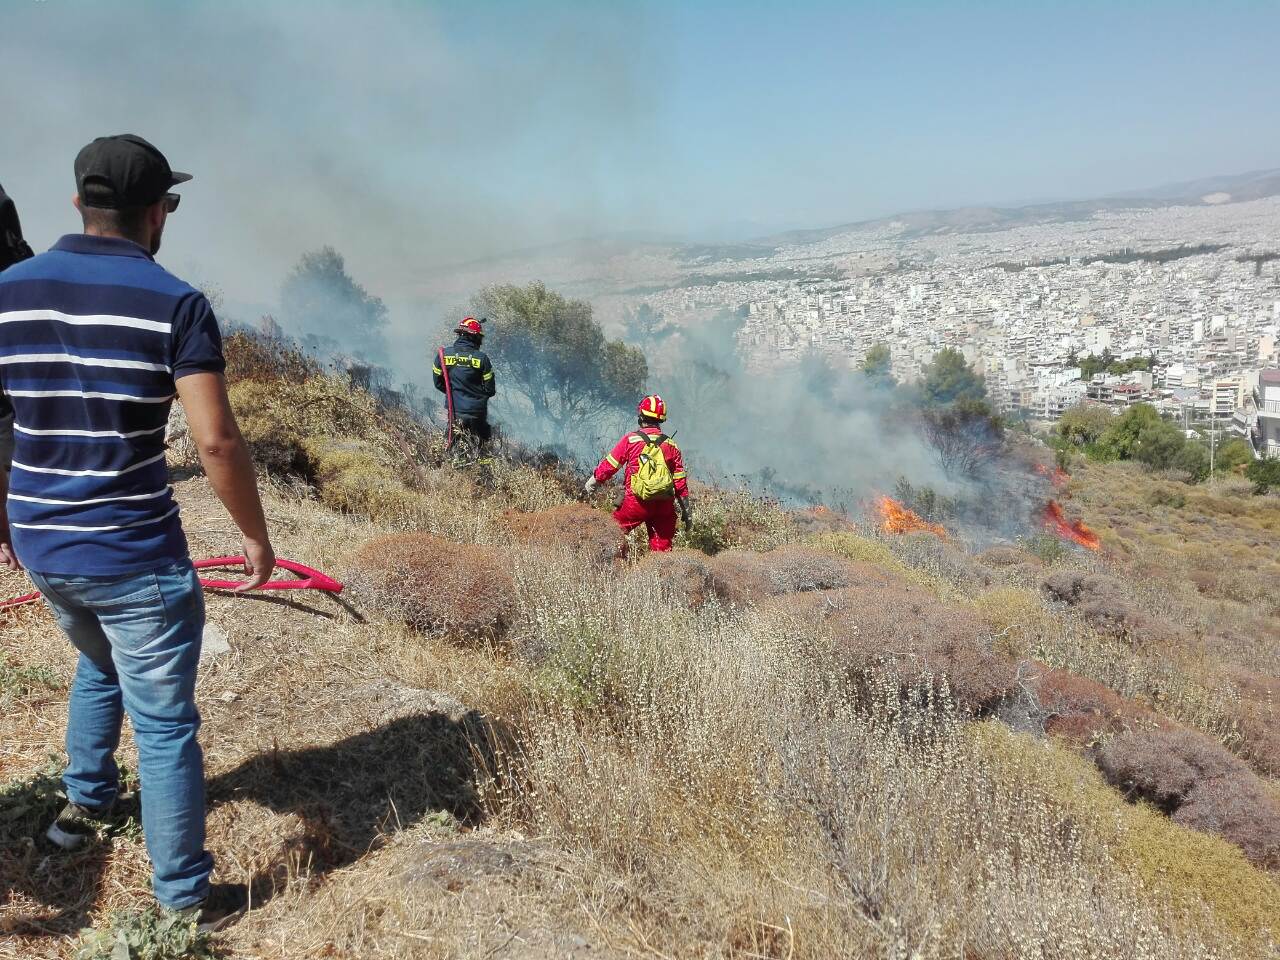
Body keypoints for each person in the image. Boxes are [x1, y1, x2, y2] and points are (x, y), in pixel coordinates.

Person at [0, 134, 275, 929]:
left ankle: (81, 809)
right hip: (131, 552)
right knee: (164, 724)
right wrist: (254, 535)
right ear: (157, 212)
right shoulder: (176, 303)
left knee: (100, 660)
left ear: (78, 204)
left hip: (41, 540)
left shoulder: (8, 290)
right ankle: (185, 899)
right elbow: (215, 441)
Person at [585, 394, 692, 552]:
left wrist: (592, 483)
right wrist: (687, 512)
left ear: (641, 416)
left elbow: (610, 465)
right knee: (662, 551)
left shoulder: (631, 440)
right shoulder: (671, 445)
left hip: (635, 502)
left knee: (611, 535)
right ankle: (659, 568)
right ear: (661, 420)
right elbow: (680, 483)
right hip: (663, 505)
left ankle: (615, 564)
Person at [432, 316, 496, 458]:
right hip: (477, 412)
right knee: (482, 447)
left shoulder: (444, 355)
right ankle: (482, 468)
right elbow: (490, 390)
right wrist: (477, 396)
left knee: (454, 444)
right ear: (475, 337)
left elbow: (438, 383)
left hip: (455, 410)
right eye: (480, 337)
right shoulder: (482, 358)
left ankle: (454, 466)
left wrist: (454, 394)